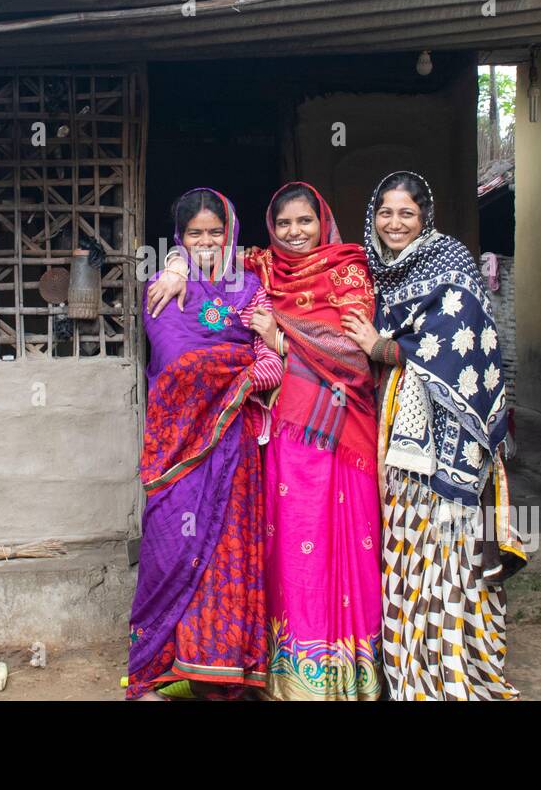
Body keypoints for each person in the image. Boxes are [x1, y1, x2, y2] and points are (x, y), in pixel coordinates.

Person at [152, 181, 383, 700]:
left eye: (304, 221)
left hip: (338, 430)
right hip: (280, 433)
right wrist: (174, 265)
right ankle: (285, 675)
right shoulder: (261, 266)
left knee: (338, 542)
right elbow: (208, 242)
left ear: (322, 221)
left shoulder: (347, 269)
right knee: (288, 546)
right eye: (283, 224)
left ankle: (345, 675)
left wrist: (280, 337)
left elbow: (352, 354)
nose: (294, 233)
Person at [341, 170, 525, 701]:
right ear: (373, 216)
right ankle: (407, 667)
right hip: (392, 436)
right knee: (402, 543)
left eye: (407, 214)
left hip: (447, 447)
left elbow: (462, 348)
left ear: (425, 220)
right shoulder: (375, 272)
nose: (394, 224)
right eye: (386, 213)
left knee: (444, 547)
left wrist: (384, 347)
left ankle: (448, 667)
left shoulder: (452, 263)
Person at [126, 188, 283, 700]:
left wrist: (264, 353)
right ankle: (154, 673)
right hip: (181, 448)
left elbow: (273, 360)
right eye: (195, 234)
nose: (207, 242)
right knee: (171, 547)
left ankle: (226, 669)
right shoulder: (163, 286)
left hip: (234, 448)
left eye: (216, 231)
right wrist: (243, 366)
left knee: (230, 551)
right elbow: (175, 364)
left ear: (231, 232)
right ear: (179, 238)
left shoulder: (252, 287)